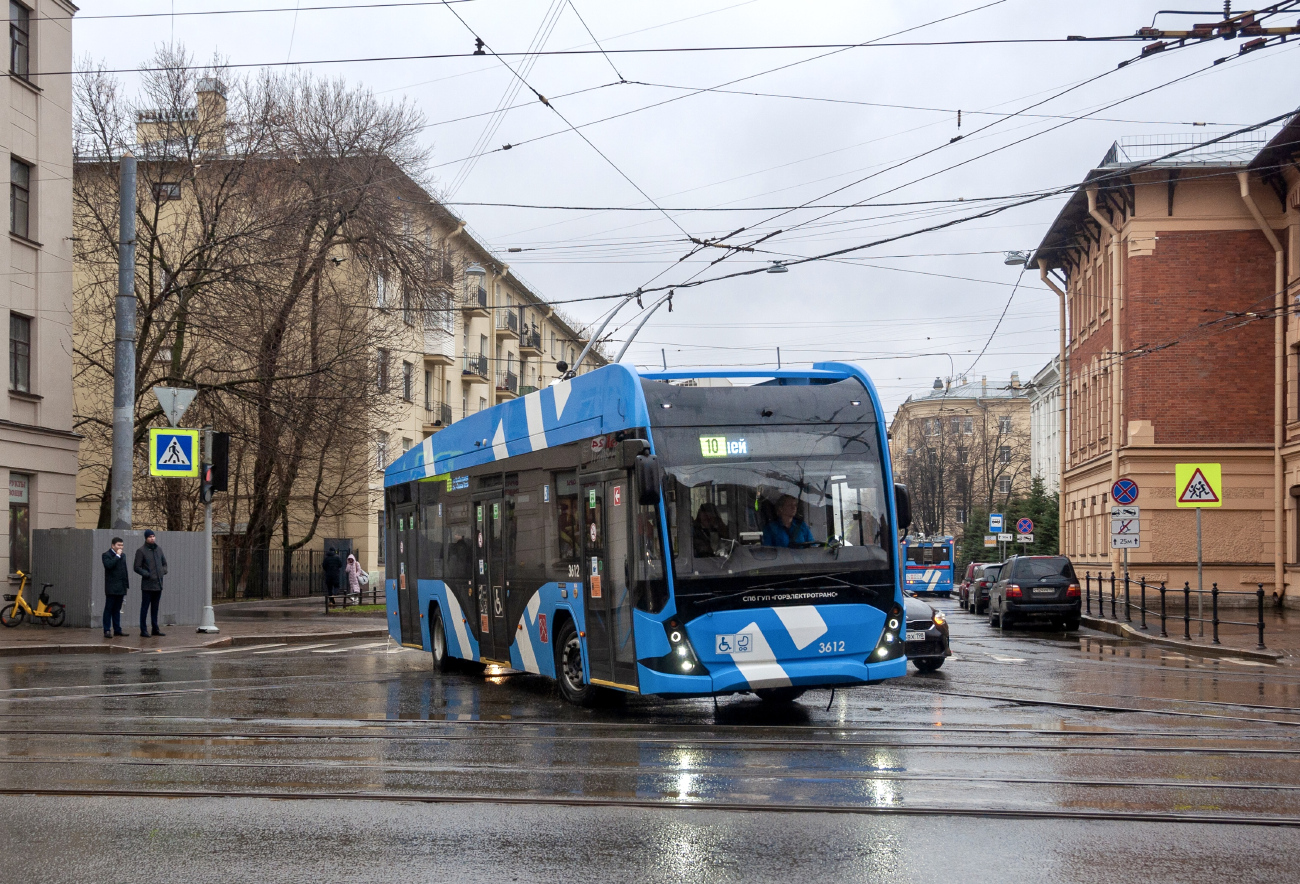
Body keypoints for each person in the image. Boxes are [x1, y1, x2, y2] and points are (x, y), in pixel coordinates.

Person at [133, 529, 168, 637]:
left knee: (155, 608)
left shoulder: (158, 549)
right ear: (146, 538)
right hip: (148, 585)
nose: (152, 538)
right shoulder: (141, 551)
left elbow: (164, 564)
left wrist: (163, 572)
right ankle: (143, 630)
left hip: (158, 584)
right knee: (145, 608)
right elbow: (137, 567)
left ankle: (155, 628)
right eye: (150, 537)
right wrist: (147, 574)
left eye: (153, 536)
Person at [100, 537, 130, 637]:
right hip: (111, 587)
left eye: (122, 545)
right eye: (118, 545)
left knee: (117, 609)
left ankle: (117, 629)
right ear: (113, 545)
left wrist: (126, 584)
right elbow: (109, 566)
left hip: (121, 587)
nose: (121, 547)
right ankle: (107, 630)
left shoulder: (123, 556)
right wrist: (117, 556)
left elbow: (124, 571)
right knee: (109, 609)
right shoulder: (106, 555)